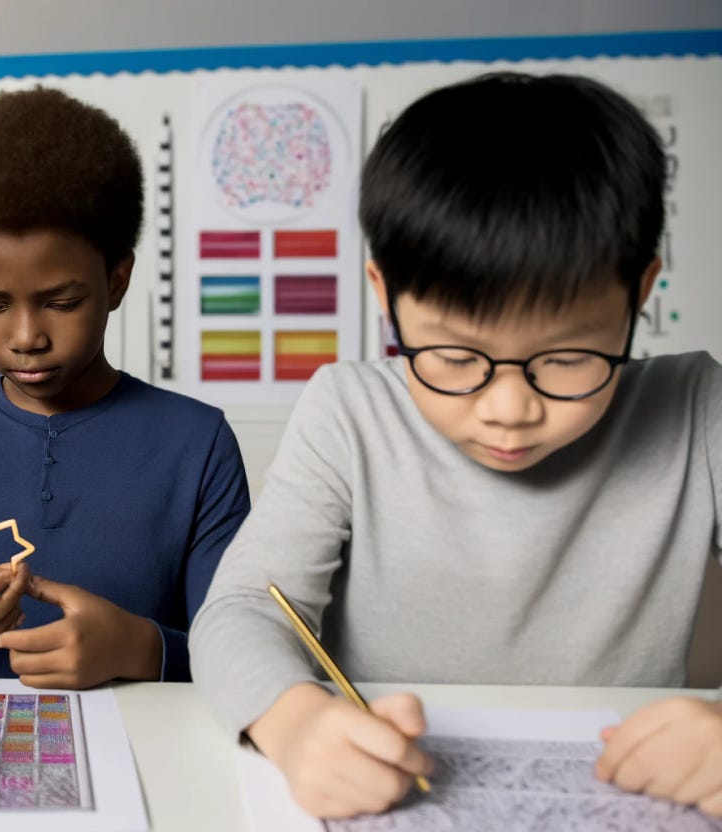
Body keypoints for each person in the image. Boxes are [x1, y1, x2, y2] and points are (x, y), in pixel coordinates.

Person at [190, 72, 722, 819]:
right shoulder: (350, 412)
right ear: (385, 294)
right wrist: (295, 722)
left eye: (568, 360)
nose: (509, 411)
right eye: (454, 358)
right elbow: (242, 609)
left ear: (640, 293)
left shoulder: (701, 410)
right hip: (396, 794)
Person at [0, 87, 252, 687]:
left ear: (118, 280)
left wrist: (142, 650)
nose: (26, 336)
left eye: (62, 302)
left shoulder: (197, 443)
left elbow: (243, 658)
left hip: (142, 754)